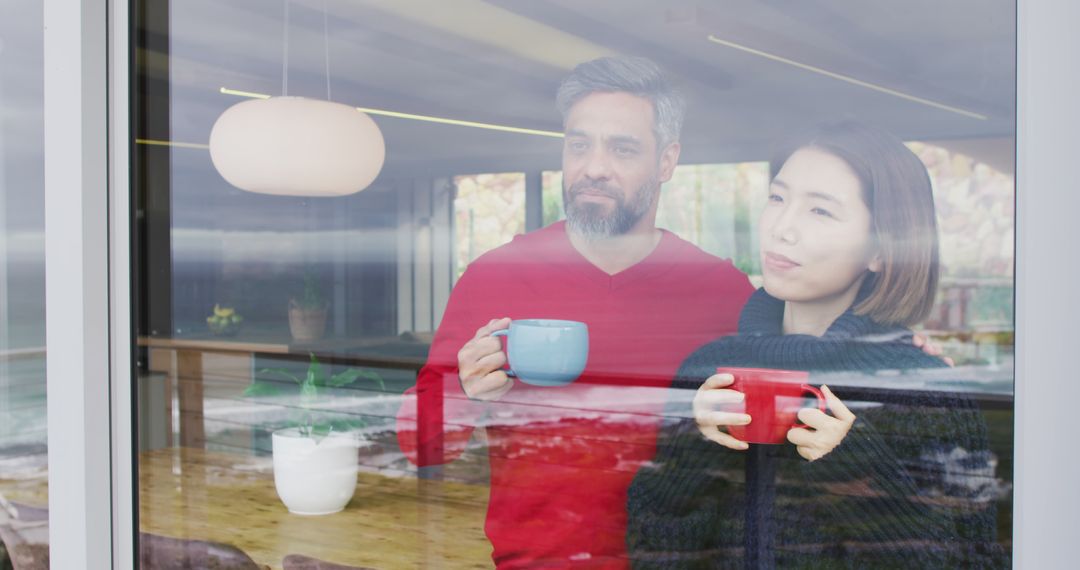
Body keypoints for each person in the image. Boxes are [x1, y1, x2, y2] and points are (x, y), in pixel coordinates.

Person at [395, 56, 755, 568]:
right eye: (579, 145)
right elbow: (420, 447)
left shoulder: (724, 291)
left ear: (667, 161)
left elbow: (767, 443)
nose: (594, 167)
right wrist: (464, 390)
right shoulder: (493, 276)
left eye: (623, 148)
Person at [625, 120, 1008, 568]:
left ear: (882, 250)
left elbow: (970, 561)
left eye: (820, 211)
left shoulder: (922, 388)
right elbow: (652, 552)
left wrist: (861, 473)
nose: (781, 227)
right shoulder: (708, 370)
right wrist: (690, 455)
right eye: (778, 198)